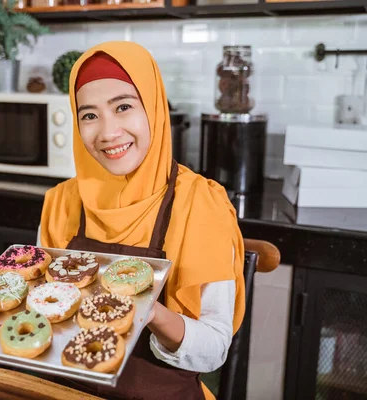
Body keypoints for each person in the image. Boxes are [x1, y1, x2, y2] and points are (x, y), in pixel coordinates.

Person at [38, 41, 245, 400]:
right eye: (89, 115)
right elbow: (47, 314)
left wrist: (149, 313)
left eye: (123, 107)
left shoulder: (200, 204)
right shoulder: (61, 203)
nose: (107, 132)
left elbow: (213, 350)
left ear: (153, 107)